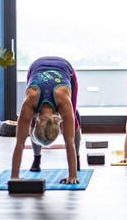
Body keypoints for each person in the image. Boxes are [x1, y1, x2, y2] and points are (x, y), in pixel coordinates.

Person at [11, 56, 82, 184]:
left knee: (73, 120)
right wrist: (14, 177)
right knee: (28, 120)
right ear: (37, 122)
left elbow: (69, 142)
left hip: (65, 68)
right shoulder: (29, 102)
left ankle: (77, 159)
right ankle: (36, 159)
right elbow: (19, 142)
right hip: (36, 67)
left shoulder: (64, 102)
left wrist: (73, 175)